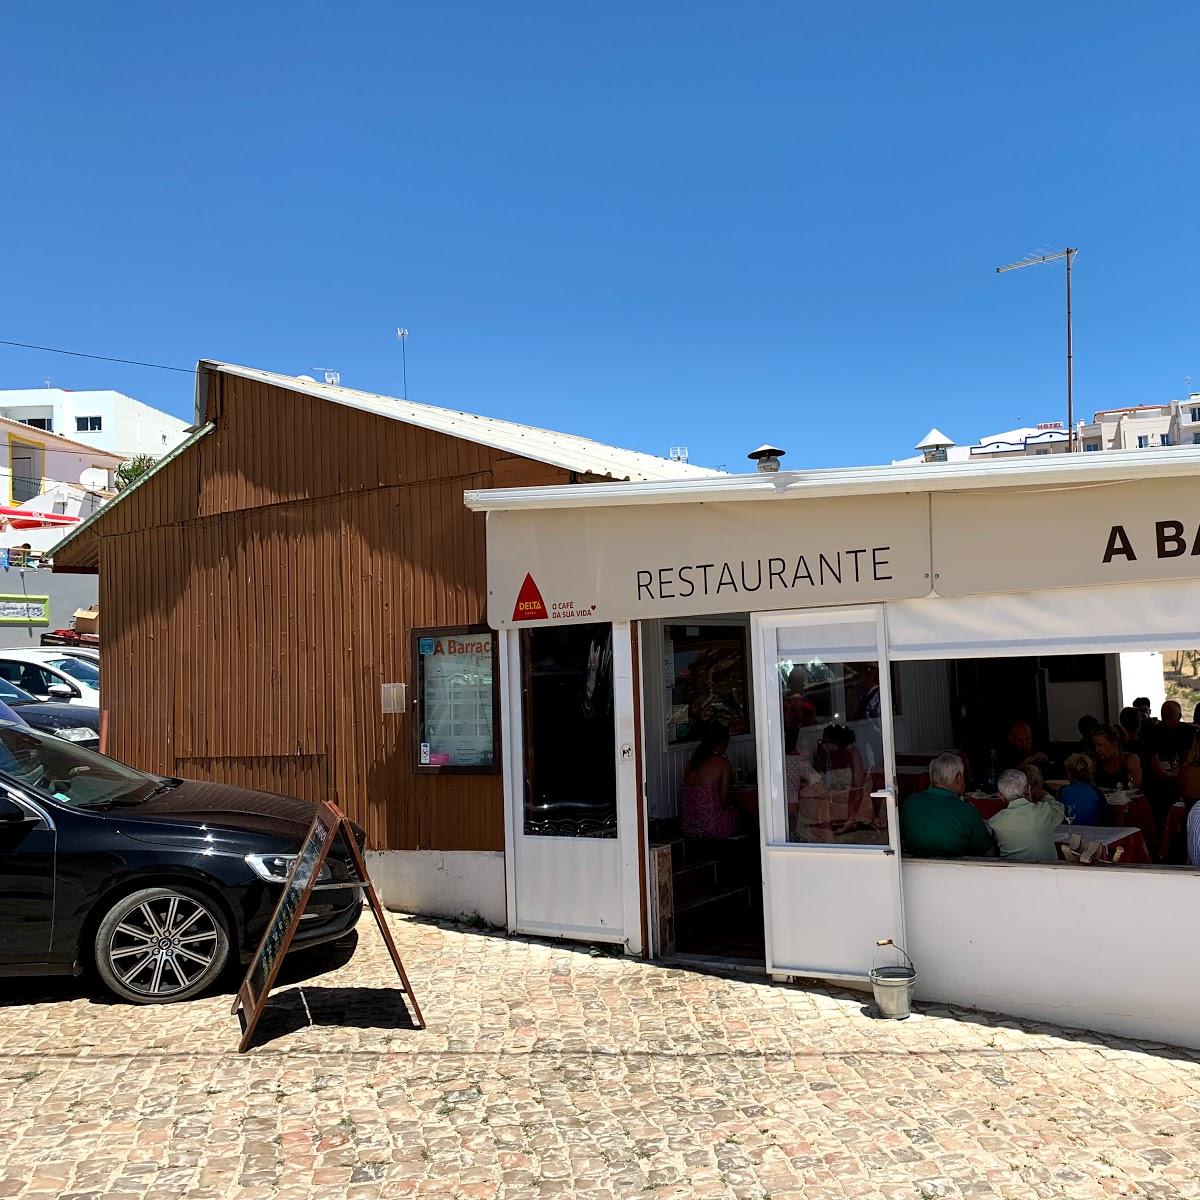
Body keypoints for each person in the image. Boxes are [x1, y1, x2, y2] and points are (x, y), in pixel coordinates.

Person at [900, 751, 993, 858]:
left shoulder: (910, 801)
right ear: (958, 778)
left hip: (915, 869)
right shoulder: (966, 810)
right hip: (957, 871)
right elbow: (987, 852)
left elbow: (902, 840)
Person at [680, 722, 743, 839]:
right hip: (712, 827)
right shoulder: (722, 763)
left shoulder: (692, 763)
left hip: (688, 826)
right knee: (741, 815)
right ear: (723, 743)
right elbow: (724, 802)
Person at [987, 768, 1065, 863]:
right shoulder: (1043, 811)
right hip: (1047, 874)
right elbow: (1059, 809)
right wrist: (1046, 796)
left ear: (1001, 796)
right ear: (1028, 789)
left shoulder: (995, 822)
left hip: (1013, 874)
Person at [813, 723, 870, 833]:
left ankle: (850, 820)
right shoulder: (825, 756)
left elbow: (858, 784)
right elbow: (816, 778)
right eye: (822, 742)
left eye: (826, 742)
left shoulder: (852, 754)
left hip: (850, 799)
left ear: (836, 743)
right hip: (831, 797)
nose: (823, 745)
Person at [1090, 724, 1142, 790]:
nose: (1097, 750)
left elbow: (1136, 790)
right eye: (1095, 746)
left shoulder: (1131, 760)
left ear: (1114, 743)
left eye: (1100, 745)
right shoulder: (1096, 762)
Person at [1059, 753, 1104, 824]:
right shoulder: (1096, 791)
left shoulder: (1063, 791)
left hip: (1071, 831)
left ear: (1070, 774)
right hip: (1095, 831)